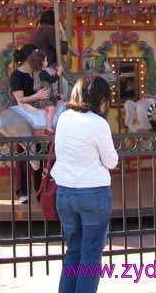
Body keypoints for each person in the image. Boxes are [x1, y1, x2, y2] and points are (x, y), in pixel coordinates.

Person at [52, 75, 118, 293]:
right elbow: (111, 161)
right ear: (101, 99)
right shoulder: (98, 123)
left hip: (65, 193)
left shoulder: (64, 118)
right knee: (90, 254)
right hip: (92, 193)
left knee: (73, 250)